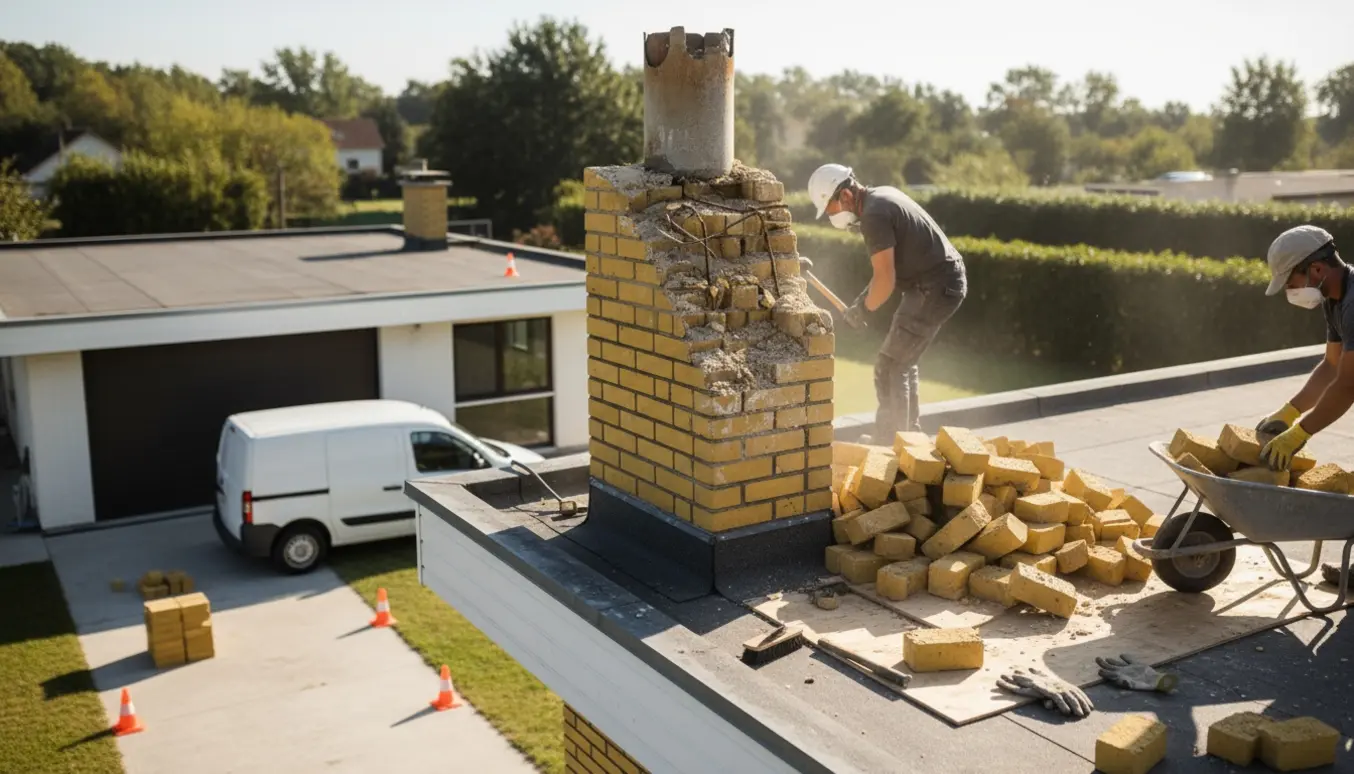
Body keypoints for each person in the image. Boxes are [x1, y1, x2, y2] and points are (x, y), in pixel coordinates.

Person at [806, 163, 967, 438]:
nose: (831, 216)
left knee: (890, 366)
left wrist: (862, 311)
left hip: (935, 286)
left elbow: (885, 280)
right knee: (901, 362)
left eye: (830, 209)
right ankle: (909, 439)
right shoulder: (881, 196)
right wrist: (861, 303)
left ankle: (890, 443)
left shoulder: (874, 215)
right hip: (936, 283)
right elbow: (883, 274)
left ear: (845, 195)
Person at [1256, 225, 1353, 587]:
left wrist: (1300, 434)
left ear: (1316, 269)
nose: (1290, 291)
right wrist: (1289, 411)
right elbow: (1331, 366)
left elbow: (1347, 385)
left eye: (1290, 281)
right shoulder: (1336, 300)